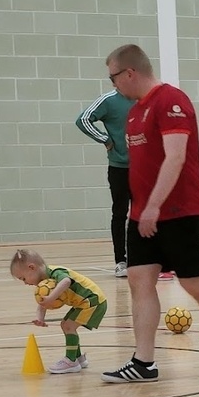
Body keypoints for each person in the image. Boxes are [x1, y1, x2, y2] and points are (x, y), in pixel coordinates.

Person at [100, 43, 199, 383]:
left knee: (193, 281)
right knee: (139, 280)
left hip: (181, 211)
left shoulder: (171, 101)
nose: (114, 85)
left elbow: (176, 157)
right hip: (143, 215)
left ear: (130, 72)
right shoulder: (135, 112)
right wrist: (140, 208)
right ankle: (143, 362)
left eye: (114, 78)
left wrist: (153, 205)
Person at [10, 248, 107, 374]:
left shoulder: (56, 272)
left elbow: (66, 281)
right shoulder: (44, 284)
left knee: (68, 326)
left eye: (23, 278)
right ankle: (78, 358)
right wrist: (40, 319)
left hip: (93, 300)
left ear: (32, 267)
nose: (25, 283)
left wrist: (51, 297)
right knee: (66, 325)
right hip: (84, 302)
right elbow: (42, 304)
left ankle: (71, 361)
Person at [75, 88, 135, 278]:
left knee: (143, 213)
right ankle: (121, 261)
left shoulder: (144, 97)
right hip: (119, 168)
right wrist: (105, 139)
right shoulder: (109, 100)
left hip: (143, 167)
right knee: (120, 213)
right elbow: (83, 119)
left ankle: (143, 260)